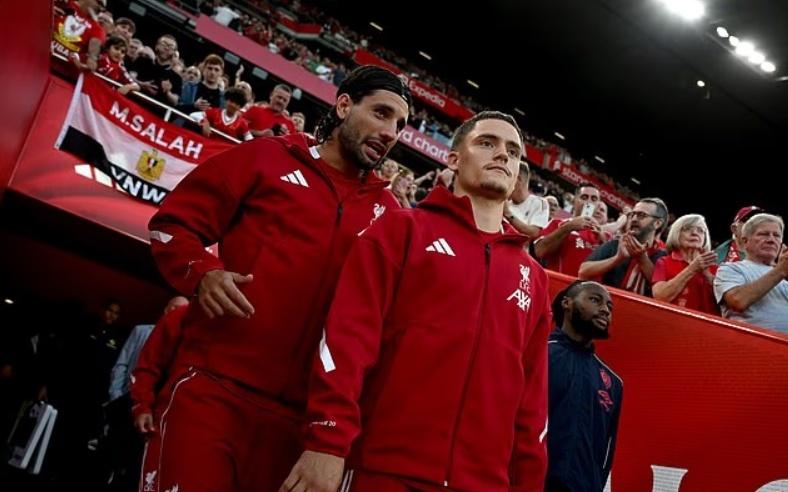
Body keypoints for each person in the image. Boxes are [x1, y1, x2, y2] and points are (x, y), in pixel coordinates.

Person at [142, 65, 411, 492]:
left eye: (399, 125)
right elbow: (172, 225)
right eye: (381, 113)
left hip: (300, 432)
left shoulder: (392, 217)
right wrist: (203, 274)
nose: (390, 132)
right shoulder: (266, 158)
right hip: (213, 393)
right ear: (344, 105)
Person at [287, 111, 551, 492]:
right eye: (487, 143)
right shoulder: (401, 230)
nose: (503, 155)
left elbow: (532, 403)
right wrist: (327, 441)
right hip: (383, 470)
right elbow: (346, 343)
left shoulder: (534, 278)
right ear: (454, 159)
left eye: (513, 151)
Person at [546, 281, 622, 492]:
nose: (605, 310)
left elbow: (605, 454)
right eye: (595, 300)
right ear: (567, 303)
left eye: (609, 306)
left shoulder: (613, 383)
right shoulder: (538, 355)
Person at [714, 214, 788, 334]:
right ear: (745, 241)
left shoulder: (784, 276)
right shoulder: (729, 269)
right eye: (764, 234)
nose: (771, 240)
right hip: (751, 344)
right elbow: (738, 301)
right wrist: (780, 271)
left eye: (776, 235)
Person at [578, 198, 669, 296]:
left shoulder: (663, 255)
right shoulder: (615, 244)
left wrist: (642, 259)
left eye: (641, 215)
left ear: (657, 223)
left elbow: (663, 291)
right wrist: (617, 258)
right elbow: (583, 271)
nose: (634, 219)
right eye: (632, 214)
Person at [651, 214, 718, 314]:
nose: (695, 233)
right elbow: (660, 296)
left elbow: (726, 304)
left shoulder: (715, 267)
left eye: (700, 230)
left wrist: (708, 275)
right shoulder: (664, 262)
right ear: (676, 234)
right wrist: (692, 268)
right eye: (687, 229)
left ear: (705, 238)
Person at [534, 183, 603, 277]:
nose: (589, 202)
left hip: (589, 286)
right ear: (574, 201)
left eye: (594, 199)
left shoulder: (601, 235)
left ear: (598, 205)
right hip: (560, 284)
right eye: (584, 197)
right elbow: (539, 251)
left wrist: (603, 242)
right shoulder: (558, 223)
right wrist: (568, 227)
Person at [52, 0, 107, 70]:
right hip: (41, 57)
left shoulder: (97, 29)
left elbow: (94, 47)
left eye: (103, 7)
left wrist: (91, 59)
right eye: (99, 3)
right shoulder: (66, 4)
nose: (101, 9)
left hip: (64, 71)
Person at [504, 162, 550, 239]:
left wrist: (507, 214)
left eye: (508, 176)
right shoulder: (506, 204)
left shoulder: (540, 203)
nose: (504, 181)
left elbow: (534, 233)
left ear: (518, 179)